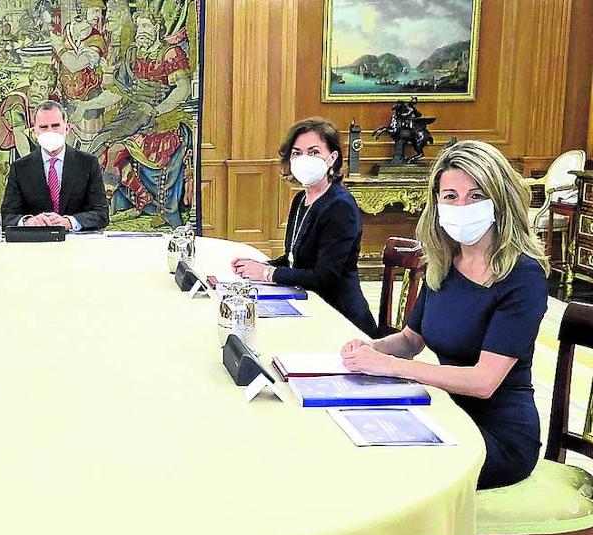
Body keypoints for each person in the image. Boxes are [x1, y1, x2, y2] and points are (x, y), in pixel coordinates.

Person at [340, 140, 550, 489]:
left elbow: (483, 382)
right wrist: (370, 349)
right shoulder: (444, 263)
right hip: (445, 412)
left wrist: (389, 366)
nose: (461, 206)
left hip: (496, 437)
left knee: (384, 472)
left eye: (476, 196)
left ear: (500, 200)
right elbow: (410, 341)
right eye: (450, 196)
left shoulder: (523, 276)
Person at [231, 117, 376, 336]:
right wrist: (258, 266)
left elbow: (324, 277)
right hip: (307, 306)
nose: (304, 159)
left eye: (314, 152)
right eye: (297, 153)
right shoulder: (300, 200)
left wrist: (268, 273)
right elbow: (295, 259)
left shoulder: (340, 206)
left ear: (332, 158)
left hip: (339, 318)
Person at [0, 100, 109, 231]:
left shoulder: (88, 163)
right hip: (35, 241)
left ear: (67, 128)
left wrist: (69, 222)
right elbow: (7, 216)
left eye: (55, 126)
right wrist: (28, 221)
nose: (50, 131)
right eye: (43, 127)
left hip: (76, 242)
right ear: (34, 131)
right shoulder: (20, 168)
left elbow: (101, 214)